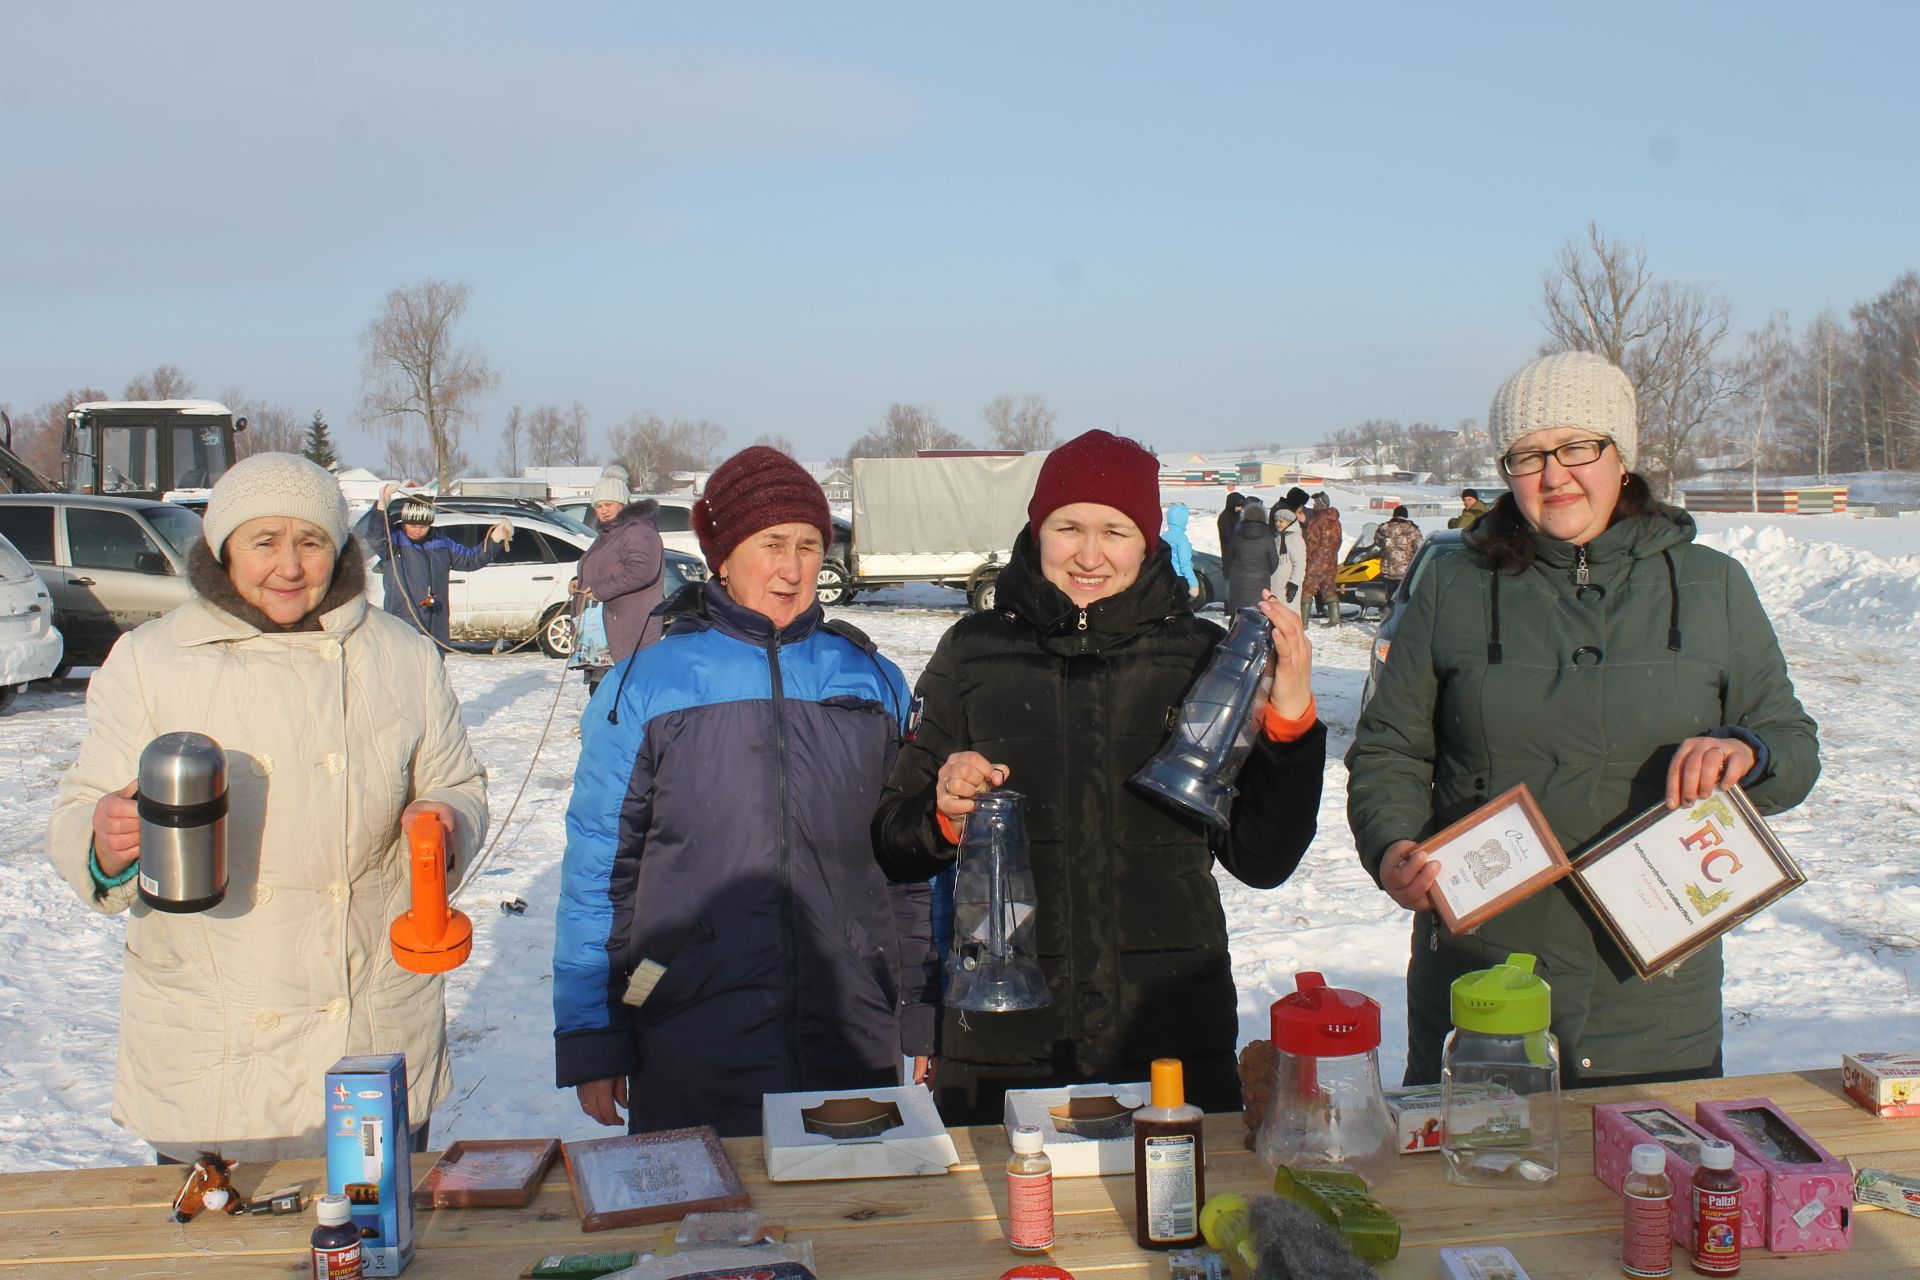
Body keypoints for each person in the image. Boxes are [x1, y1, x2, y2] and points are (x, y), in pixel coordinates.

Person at [1346, 351, 1819, 1089]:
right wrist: (1391, 844)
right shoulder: (1454, 586)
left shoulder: (1711, 586)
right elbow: (1390, 749)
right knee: (1477, 1191)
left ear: (1620, 456)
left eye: (1576, 447)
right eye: (1528, 455)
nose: (1554, 474)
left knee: (1646, 1191)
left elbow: (1793, 746)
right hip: (1485, 974)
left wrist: (1746, 754)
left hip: (1653, 989)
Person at [871, 429, 1326, 1125]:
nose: (1089, 555)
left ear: (1148, 540)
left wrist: (1289, 722)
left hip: (1169, 1034)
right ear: (1036, 530)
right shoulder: (973, 653)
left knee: (1171, 1225)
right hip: (1003, 1038)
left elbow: (1263, 859)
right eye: (1068, 528)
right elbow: (891, 841)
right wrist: (942, 812)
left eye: (1114, 531)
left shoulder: (1201, 657)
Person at [46, 453, 489, 1163]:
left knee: (379, 1251)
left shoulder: (400, 654)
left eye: (310, 542)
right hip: (216, 1050)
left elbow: (458, 781)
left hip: (369, 1032)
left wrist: (444, 821)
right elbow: (77, 812)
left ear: (338, 550)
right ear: (223, 549)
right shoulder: (152, 660)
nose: (289, 566)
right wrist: (104, 840)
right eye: (264, 542)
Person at [554, 446, 934, 1139]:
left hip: (849, 1026)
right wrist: (593, 1035)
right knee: (705, 1235)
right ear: (723, 557)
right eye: (771, 544)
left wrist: (921, 1007)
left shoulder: (872, 680)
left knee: (858, 1227)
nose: (792, 569)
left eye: (809, 545)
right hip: (689, 1025)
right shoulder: (645, 687)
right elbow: (600, 875)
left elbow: (911, 868)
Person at [576, 467, 666, 671]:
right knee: (603, 689)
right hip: (608, 627)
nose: (603, 510)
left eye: (609, 504)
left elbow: (642, 571)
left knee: (626, 688)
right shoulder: (608, 533)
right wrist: (579, 581)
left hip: (632, 624)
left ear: (624, 504)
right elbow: (604, 566)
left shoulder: (638, 530)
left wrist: (599, 590)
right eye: (598, 506)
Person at [1225, 495, 1279, 613]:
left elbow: (1229, 556)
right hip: (1260, 580)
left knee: (1238, 615)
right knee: (1258, 614)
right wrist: (1265, 572)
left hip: (1238, 581)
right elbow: (1274, 562)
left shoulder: (1237, 533)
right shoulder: (1268, 536)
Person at [1302, 492, 1345, 626]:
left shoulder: (1316, 521)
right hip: (1331, 560)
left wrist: (1307, 557)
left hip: (1317, 561)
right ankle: (1335, 619)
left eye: (1315, 503)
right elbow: (1339, 541)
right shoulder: (1336, 521)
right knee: (1329, 589)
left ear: (1320, 504)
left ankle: (1303, 622)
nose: (1313, 506)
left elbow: (1311, 542)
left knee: (1308, 590)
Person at [1269, 500, 1307, 624]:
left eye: (1281, 521)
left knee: (1289, 616)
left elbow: (1299, 563)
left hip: (1288, 587)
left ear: (1290, 522)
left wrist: (1294, 584)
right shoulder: (1277, 537)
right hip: (1276, 585)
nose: (1278, 524)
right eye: (1276, 521)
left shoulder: (1295, 538)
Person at [1372, 504, 1422, 596]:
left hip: (1387, 570)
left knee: (1388, 596)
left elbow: (1377, 542)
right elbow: (1419, 549)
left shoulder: (1384, 528)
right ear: (1406, 516)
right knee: (1402, 597)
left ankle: (1387, 608)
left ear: (1394, 515)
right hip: (1406, 571)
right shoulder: (1413, 530)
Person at [1163, 503, 1201, 601]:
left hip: (1165, 578)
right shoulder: (1182, 539)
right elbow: (1185, 564)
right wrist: (1193, 583)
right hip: (1179, 579)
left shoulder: (1164, 536)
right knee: (1180, 610)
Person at [1216, 491, 1247, 575]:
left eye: (1241, 506)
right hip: (1229, 554)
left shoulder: (1237, 515)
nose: (1240, 508)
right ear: (1231, 504)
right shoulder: (1224, 517)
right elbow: (1228, 536)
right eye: (1237, 506)